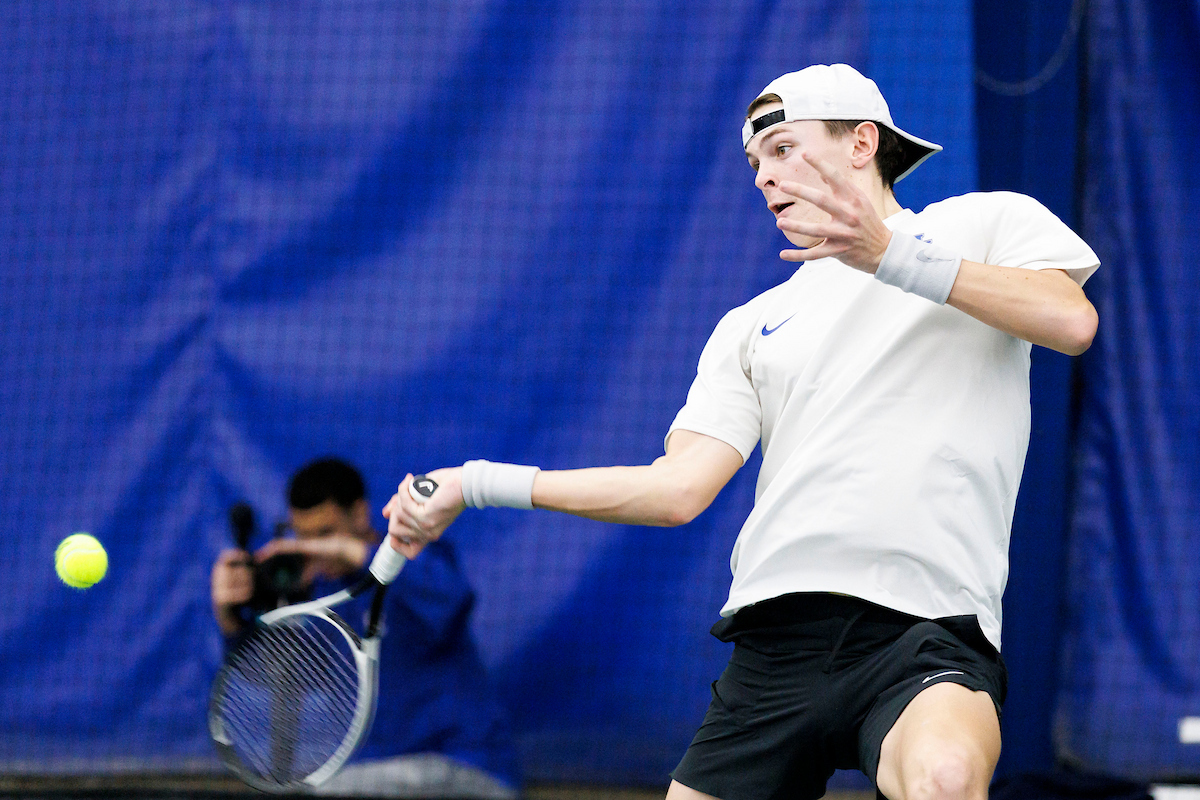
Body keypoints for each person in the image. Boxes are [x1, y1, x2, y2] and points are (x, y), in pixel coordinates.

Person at [381, 63, 1100, 800]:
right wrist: (475, 483)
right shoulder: (747, 326)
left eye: (784, 149)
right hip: (774, 649)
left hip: (927, 631)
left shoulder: (979, 224)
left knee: (945, 779)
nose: (764, 176)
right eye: (755, 163)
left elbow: (1071, 320)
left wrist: (891, 256)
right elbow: (676, 491)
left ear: (861, 143)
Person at [211, 457, 520, 799]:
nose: (314, 548)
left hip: (461, 766)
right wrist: (231, 620)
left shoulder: (417, 558)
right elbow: (276, 681)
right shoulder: (316, 597)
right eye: (304, 537)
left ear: (359, 514)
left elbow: (453, 599)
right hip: (365, 776)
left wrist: (356, 553)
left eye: (325, 534)